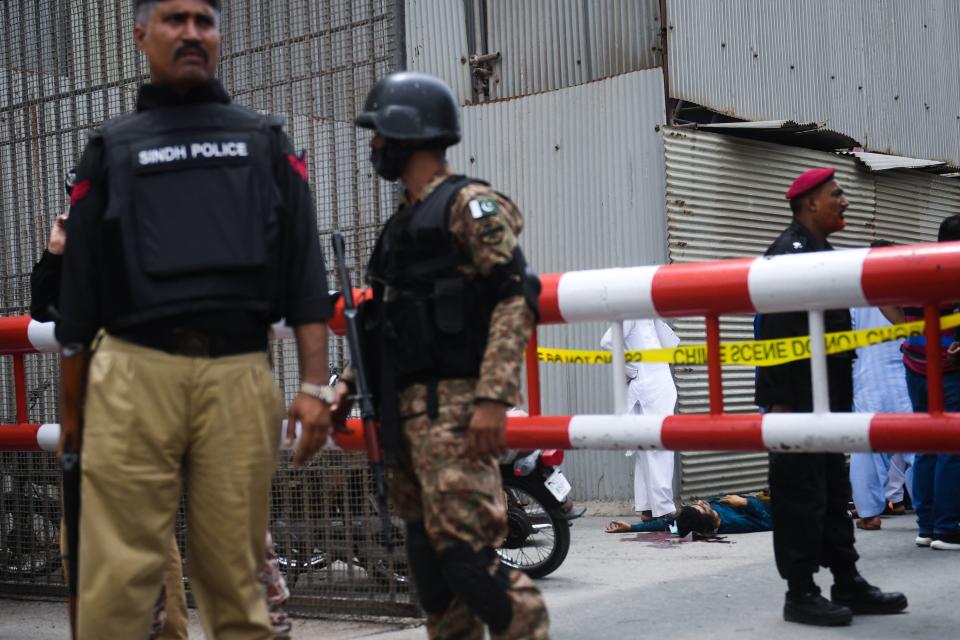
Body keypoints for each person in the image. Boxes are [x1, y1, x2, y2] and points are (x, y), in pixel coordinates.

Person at [55, 1, 334, 637]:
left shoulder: (265, 141)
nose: (191, 33)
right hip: (131, 375)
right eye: (174, 19)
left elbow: (304, 275)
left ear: (218, 36)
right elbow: (78, 304)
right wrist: (73, 419)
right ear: (140, 36)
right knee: (118, 589)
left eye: (203, 20)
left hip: (238, 374)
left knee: (240, 584)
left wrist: (315, 385)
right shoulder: (110, 150)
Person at [332, 71, 549, 639]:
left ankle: (529, 625)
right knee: (432, 577)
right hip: (405, 420)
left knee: (467, 563)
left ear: (406, 135)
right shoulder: (399, 227)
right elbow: (384, 326)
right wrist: (345, 384)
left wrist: (492, 399)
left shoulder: (468, 207)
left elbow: (514, 297)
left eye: (378, 134)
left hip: (456, 414)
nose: (373, 146)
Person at [755, 167, 907, 627]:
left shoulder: (823, 252)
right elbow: (773, 336)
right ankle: (800, 592)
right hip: (796, 403)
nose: (844, 201)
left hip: (829, 399)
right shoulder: (787, 254)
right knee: (800, 496)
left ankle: (847, 580)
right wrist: (780, 407)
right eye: (836, 194)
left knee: (832, 491)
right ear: (809, 204)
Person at [884, 215, 960, 550]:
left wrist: (907, 329)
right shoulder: (954, 269)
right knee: (952, 448)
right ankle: (947, 529)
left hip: (914, 366)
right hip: (949, 368)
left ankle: (927, 527)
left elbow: (884, 295)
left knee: (927, 446)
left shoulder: (917, 266)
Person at [848, 272, 915, 531]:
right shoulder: (904, 291)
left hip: (868, 377)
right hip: (905, 373)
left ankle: (869, 514)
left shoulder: (856, 296)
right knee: (918, 447)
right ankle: (930, 514)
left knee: (865, 446)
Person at [601, 319, 679, 521]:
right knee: (659, 447)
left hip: (656, 386)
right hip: (650, 387)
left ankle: (647, 508)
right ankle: (663, 508)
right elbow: (608, 342)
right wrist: (630, 369)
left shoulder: (649, 315)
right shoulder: (633, 313)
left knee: (647, 449)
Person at [605, 494, 772, 536]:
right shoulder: (734, 524)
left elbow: (666, 524)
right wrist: (744, 502)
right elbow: (767, 522)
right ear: (706, 518)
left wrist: (632, 528)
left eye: (699, 504)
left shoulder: (697, 521)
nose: (702, 503)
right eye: (702, 507)